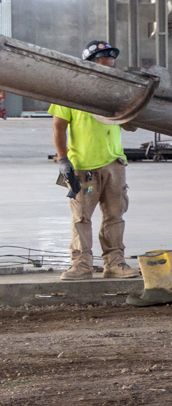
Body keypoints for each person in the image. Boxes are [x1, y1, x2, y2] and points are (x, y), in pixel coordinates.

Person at [52, 40, 136, 281]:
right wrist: (63, 160)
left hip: (114, 164)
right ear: (90, 63)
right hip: (82, 169)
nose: (109, 62)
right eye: (103, 58)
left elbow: (130, 124)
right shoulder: (70, 91)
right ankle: (81, 265)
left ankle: (115, 263)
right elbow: (59, 127)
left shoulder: (116, 91)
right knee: (81, 218)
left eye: (111, 58)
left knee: (114, 217)